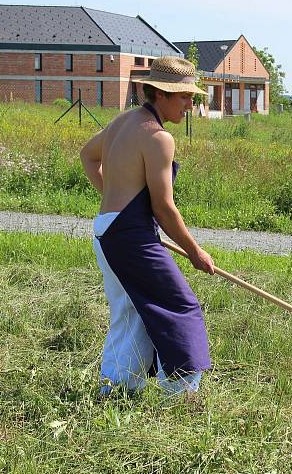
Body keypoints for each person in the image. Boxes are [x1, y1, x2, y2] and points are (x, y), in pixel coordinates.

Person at [80, 56, 214, 397]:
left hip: (108, 230)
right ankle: (181, 393)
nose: (190, 103)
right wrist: (194, 251)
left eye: (191, 96)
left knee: (131, 312)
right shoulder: (158, 138)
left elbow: (87, 155)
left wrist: (117, 202)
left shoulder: (122, 122)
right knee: (181, 306)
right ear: (160, 94)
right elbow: (164, 208)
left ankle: (116, 389)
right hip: (128, 238)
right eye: (183, 96)